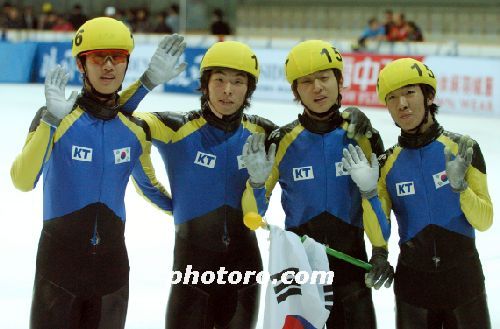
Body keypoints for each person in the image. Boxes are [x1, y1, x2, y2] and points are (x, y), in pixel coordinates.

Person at [10, 17, 185, 329]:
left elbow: (149, 187)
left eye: (117, 58)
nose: (108, 67)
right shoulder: (56, 120)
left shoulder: (133, 131)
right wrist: (50, 120)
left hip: (111, 275)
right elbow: (22, 180)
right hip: (58, 272)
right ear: (81, 65)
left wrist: (191, 212)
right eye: (97, 58)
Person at [241, 40, 393, 329]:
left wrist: (380, 251)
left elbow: (378, 202)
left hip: (351, 273)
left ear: (339, 81)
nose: (317, 88)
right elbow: (252, 214)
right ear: (296, 91)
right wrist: (257, 183)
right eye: (307, 82)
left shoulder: (363, 135)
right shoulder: (282, 140)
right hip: (300, 275)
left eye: (324, 78)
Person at [131, 41, 278, 329]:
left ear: (249, 89)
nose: (227, 90)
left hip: (244, 272)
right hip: (192, 270)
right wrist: (158, 196)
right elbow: (125, 126)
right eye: (219, 79)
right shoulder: (176, 128)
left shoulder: (264, 132)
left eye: (238, 82)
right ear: (205, 84)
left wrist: (349, 119)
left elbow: (311, 135)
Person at [361, 57, 492, 328]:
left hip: (464, 284)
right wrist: (369, 193)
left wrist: (461, 188)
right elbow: (380, 231)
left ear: (429, 96)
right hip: (414, 288)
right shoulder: (386, 164)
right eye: (392, 98)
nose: (402, 104)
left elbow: (484, 220)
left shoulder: (464, 148)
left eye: (409, 93)